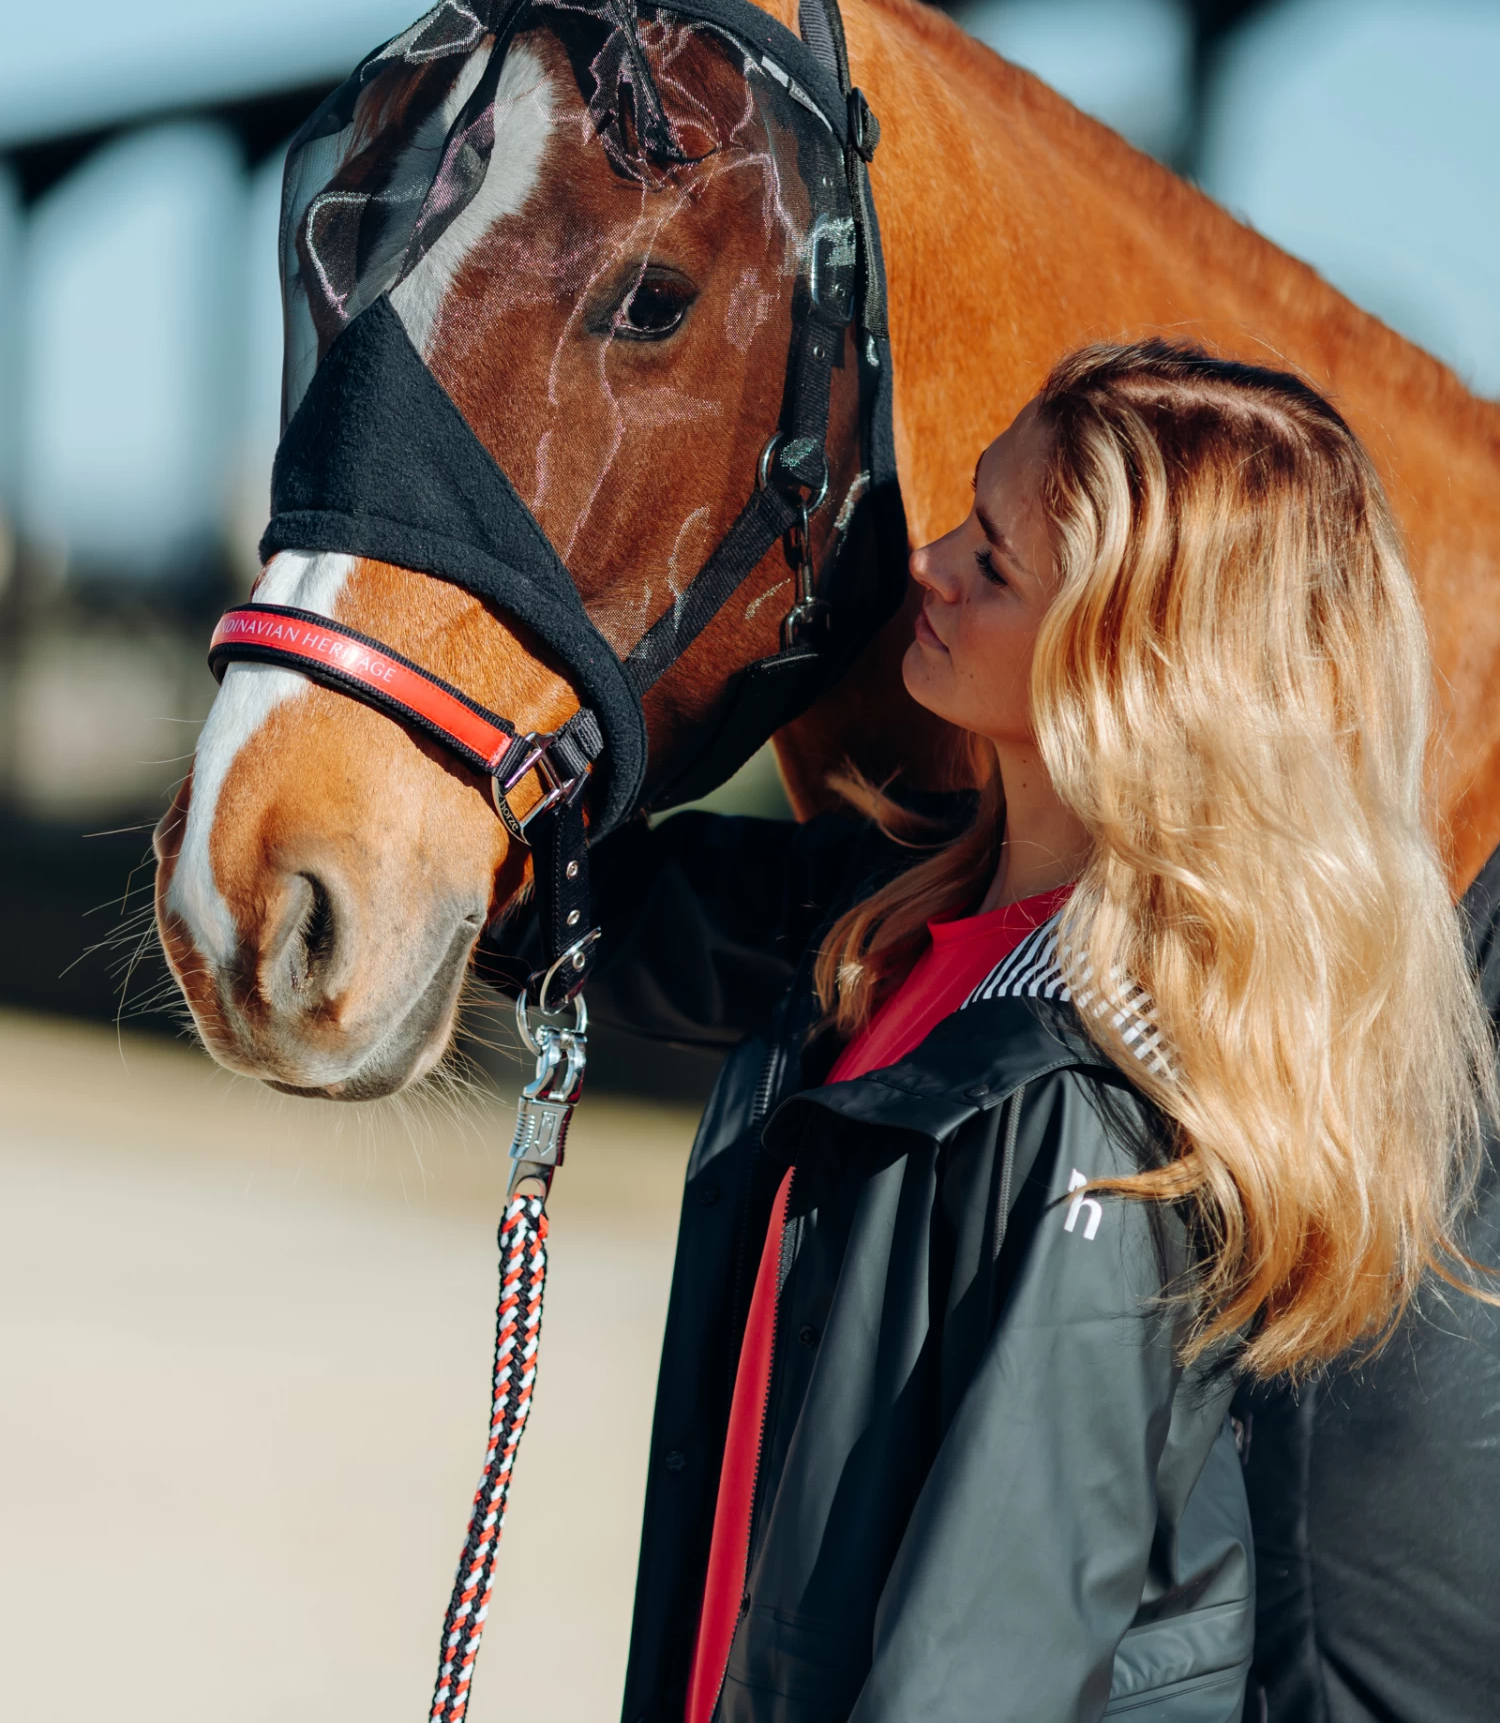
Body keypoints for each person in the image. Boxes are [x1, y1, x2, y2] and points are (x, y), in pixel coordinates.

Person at [583, 339, 1494, 1723]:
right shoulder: (904, 930)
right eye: (966, 512)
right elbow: (624, 917)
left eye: (993, 560)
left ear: (1136, 664)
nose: (929, 565)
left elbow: (976, 1669)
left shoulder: (1090, 1106)